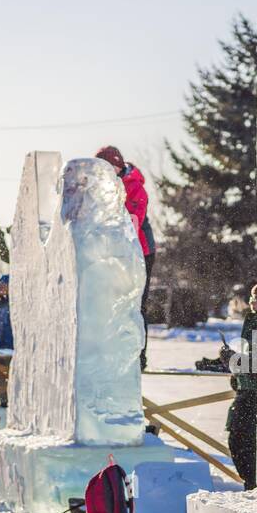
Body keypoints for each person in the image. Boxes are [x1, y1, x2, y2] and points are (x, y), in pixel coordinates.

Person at [96, 145, 156, 369]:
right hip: (116, 251)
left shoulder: (134, 186)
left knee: (136, 302)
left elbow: (132, 220)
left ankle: (138, 356)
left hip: (141, 250)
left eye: (107, 168)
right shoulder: (104, 187)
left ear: (117, 166)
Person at [225, 283, 257, 489]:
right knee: (239, 440)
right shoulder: (253, 319)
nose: (253, 303)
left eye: (256, 299)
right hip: (246, 390)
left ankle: (253, 482)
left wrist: (233, 361)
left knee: (242, 441)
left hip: (255, 395)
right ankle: (250, 482)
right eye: (252, 299)